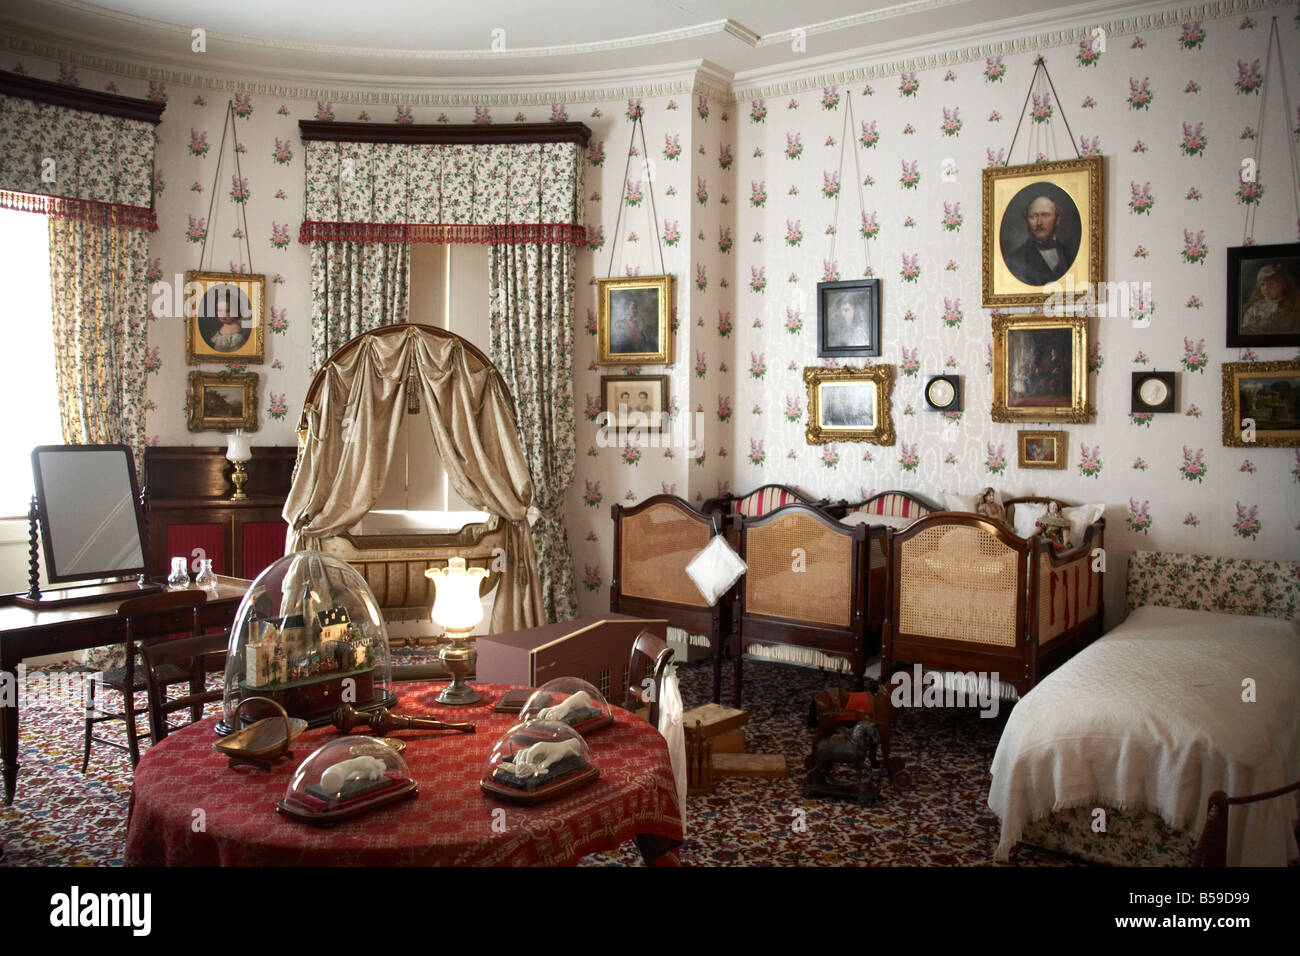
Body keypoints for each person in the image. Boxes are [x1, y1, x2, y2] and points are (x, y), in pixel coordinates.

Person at [1007, 195, 1077, 287]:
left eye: (1046, 215)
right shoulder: (1013, 260)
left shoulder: (1070, 254)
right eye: (1033, 216)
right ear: (1027, 221)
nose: (1039, 223)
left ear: (1057, 220)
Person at [1240, 264, 1300, 335]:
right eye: (1262, 284)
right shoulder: (1255, 308)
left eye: (1271, 284)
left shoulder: (1293, 306)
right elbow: (1246, 330)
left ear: (1284, 285)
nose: (1265, 288)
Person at [204, 286, 249, 352]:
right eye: (219, 311)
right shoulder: (224, 325)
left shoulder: (236, 334)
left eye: (227, 311)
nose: (223, 314)